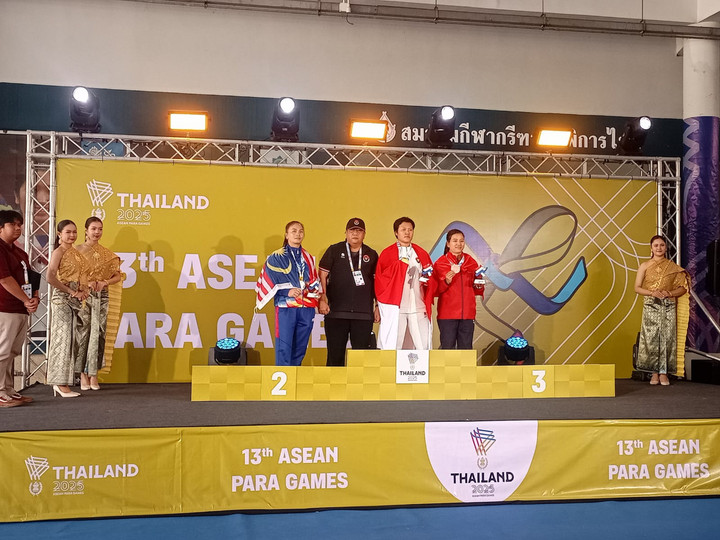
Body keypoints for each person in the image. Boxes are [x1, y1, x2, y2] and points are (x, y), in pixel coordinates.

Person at [255, 221, 319, 366]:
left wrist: (316, 298)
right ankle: (283, 376)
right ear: (286, 235)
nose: (298, 234)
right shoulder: (276, 257)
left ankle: (294, 376)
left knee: (300, 349)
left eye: (301, 231)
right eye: (294, 231)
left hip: (306, 308)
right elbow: (269, 282)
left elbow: (313, 281)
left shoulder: (308, 257)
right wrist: (287, 291)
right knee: (284, 347)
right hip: (286, 308)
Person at [318, 218, 380, 366]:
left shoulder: (371, 254)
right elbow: (322, 275)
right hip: (336, 312)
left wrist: (378, 306)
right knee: (335, 357)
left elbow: (378, 283)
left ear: (364, 234)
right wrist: (322, 298)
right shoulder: (334, 250)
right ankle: (334, 381)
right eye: (352, 230)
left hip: (363, 314)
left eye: (359, 231)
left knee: (360, 360)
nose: (355, 234)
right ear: (346, 233)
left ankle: (358, 383)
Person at [634, 235, 689, 386]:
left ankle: (664, 373)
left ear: (666, 248)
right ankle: (654, 373)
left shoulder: (673, 267)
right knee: (651, 338)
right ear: (651, 248)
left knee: (667, 337)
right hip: (651, 305)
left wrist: (669, 293)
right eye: (656, 245)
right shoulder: (644, 266)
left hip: (668, 305)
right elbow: (637, 288)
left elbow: (683, 288)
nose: (659, 248)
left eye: (662, 245)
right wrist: (652, 293)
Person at [75, 217, 122, 391]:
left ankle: (94, 374)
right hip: (82, 296)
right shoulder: (75, 251)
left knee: (99, 333)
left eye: (100, 229)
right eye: (93, 228)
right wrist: (85, 283)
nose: (97, 232)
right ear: (86, 230)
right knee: (82, 333)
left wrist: (104, 282)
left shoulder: (108, 254)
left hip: (102, 297)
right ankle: (82, 374)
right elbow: (67, 275)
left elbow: (118, 275)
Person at [374, 217, 433, 350]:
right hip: (396, 307)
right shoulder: (387, 253)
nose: (407, 232)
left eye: (410, 230)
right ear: (396, 232)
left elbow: (430, 277)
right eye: (403, 230)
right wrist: (399, 267)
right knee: (392, 345)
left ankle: (421, 365)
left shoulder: (421, 253)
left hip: (418, 306)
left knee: (424, 346)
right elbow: (380, 280)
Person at [45, 219, 89, 397]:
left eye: (74, 232)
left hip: (75, 300)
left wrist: (83, 291)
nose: (72, 235)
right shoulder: (58, 252)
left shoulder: (76, 253)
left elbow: (82, 276)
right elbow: (50, 277)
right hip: (62, 300)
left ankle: (63, 382)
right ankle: (59, 383)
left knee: (71, 341)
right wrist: (71, 291)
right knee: (62, 340)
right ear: (59, 234)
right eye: (68, 232)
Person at [0, 210, 39, 408]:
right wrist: (26, 300)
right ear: (1, 228)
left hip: (21, 308)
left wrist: (35, 297)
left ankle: (8, 389)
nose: (17, 228)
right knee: (2, 351)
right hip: (5, 307)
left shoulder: (20, 252)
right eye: (12, 224)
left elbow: (31, 277)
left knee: (13, 351)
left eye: (19, 225)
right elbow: (5, 279)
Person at [432, 229, 485, 349]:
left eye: (461, 241)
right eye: (455, 241)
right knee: (448, 348)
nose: (458, 244)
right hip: (447, 314)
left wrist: (479, 282)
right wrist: (446, 281)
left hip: (467, 314)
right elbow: (435, 290)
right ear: (448, 243)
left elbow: (477, 288)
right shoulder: (440, 263)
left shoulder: (470, 261)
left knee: (466, 348)